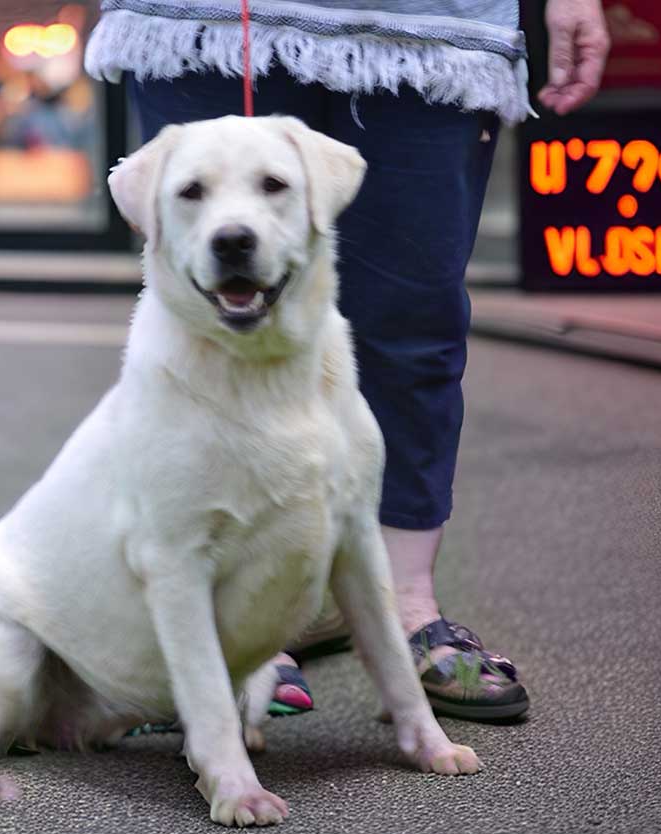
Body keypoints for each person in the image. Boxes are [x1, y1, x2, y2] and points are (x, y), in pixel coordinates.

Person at [86, 0, 610, 721]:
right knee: (211, 317)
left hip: (428, 22)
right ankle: (236, 621)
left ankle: (406, 605)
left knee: (416, 318)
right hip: (212, 14)